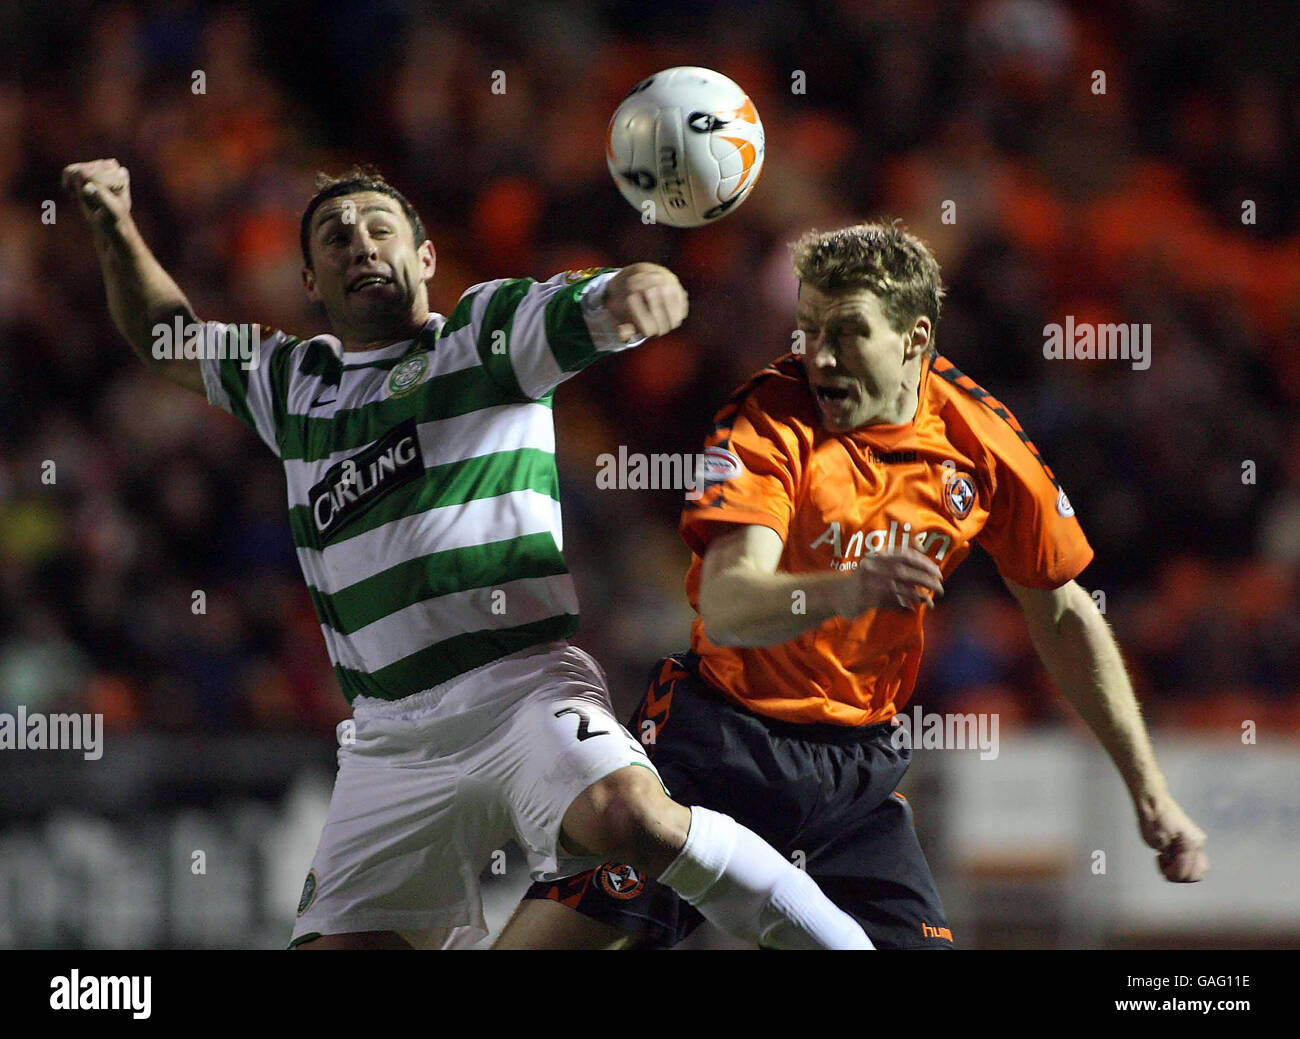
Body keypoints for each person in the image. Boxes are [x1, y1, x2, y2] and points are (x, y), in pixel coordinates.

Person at [60, 158, 874, 950]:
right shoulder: (290, 383)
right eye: (335, 240)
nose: (361, 245)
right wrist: (112, 222)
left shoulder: (484, 336)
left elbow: (588, 303)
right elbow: (164, 335)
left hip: (519, 684)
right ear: (311, 282)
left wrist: (637, 291)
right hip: (388, 736)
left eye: (380, 228)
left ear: (424, 258)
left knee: (630, 816)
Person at [497, 221, 1210, 950]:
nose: (820, 356)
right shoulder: (767, 419)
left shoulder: (980, 438)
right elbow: (728, 600)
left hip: (855, 779)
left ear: (914, 337)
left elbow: (1062, 615)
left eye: (847, 332)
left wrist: (1150, 792)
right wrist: (847, 588)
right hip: (719, 748)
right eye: (808, 329)